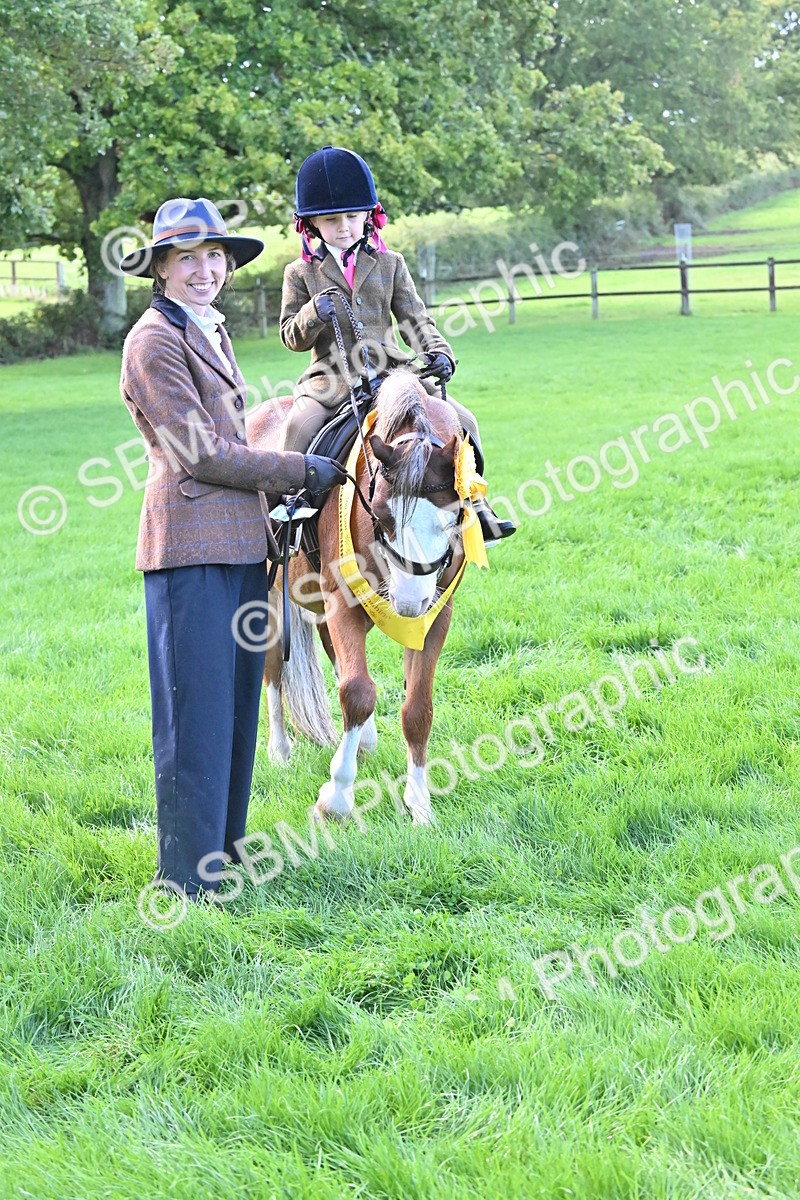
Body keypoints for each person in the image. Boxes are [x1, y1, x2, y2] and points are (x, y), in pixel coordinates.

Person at [118, 197, 346, 899]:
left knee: (237, 710)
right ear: (160, 268)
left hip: (243, 543)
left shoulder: (207, 328)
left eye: (215, 256)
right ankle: (186, 880)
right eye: (187, 258)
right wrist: (298, 469)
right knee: (196, 717)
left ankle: (224, 855)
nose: (205, 270)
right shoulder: (153, 341)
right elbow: (201, 453)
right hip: (189, 547)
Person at [279, 145, 515, 544]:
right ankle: (289, 507)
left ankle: (476, 504)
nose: (344, 227)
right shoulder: (300, 272)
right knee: (298, 425)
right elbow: (290, 336)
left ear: (368, 216)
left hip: (393, 376)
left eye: (352, 217)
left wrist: (440, 352)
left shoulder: (391, 264)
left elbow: (415, 319)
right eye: (332, 219)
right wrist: (313, 312)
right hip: (330, 381)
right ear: (312, 224)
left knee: (465, 420)